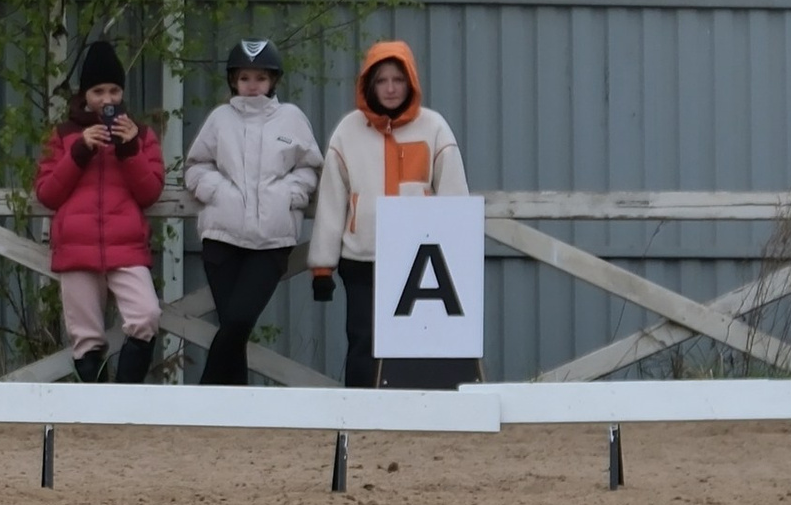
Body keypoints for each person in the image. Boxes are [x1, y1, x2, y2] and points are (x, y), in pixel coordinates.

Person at [307, 37, 467, 387]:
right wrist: (322, 265)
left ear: (411, 82)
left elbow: (454, 195)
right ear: (368, 85)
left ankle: (412, 418)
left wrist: (456, 257)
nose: (391, 88)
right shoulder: (347, 131)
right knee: (363, 339)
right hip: (363, 258)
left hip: (420, 262)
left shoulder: (435, 128)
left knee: (416, 344)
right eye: (381, 80)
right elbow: (332, 199)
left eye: (398, 79)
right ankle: (360, 414)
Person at [181, 35, 322, 385]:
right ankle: (234, 409)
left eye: (261, 78)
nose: (253, 86)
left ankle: (202, 400)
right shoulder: (220, 119)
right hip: (222, 238)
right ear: (233, 81)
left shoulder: (292, 119)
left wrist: (294, 191)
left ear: (273, 81)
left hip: (272, 241)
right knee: (233, 326)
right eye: (245, 78)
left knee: (240, 320)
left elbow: (310, 167)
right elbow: (196, 165)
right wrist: (213, 189)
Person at [32, 38, 166, 382]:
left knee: (146, 316)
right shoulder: (62, 136)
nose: (107, 100)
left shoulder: (142, 135)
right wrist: (79, 152)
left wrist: (130, 149)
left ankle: (124, 400)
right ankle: (96, 411)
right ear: (84, 96)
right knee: (86, 337)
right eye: (98, 92)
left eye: (114, 91)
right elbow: (48, 193)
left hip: (126, 248)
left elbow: (149, 191)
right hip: (77, 249)